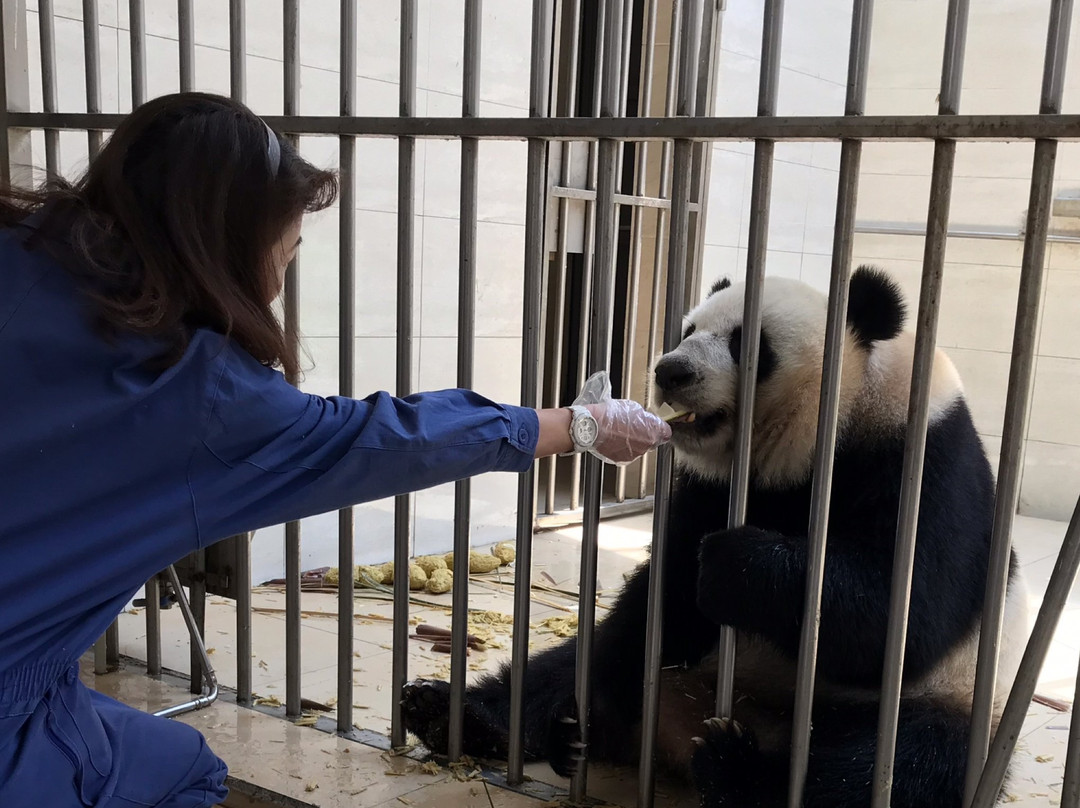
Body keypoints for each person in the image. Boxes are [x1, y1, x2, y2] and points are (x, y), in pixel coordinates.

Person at [0, 92, 671, 808]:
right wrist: (579, 424)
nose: (281, 283)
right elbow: (380, 441)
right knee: (188, 772)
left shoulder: (20, 251)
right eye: (284, 256)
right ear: (220, 250)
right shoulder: (198, 397)